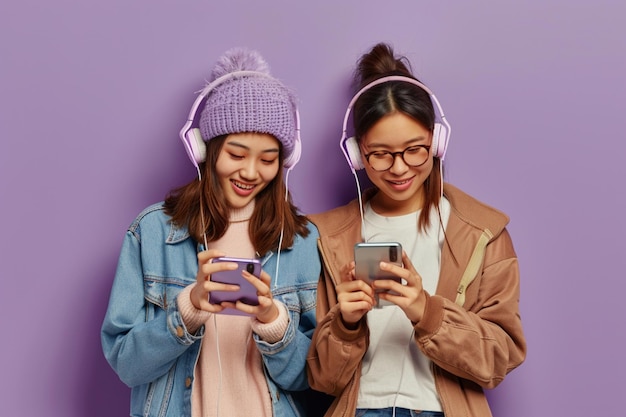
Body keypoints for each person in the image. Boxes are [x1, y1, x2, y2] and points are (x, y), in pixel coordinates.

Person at [102, 47, 329, 417]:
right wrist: (188, 309)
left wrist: (273, 322)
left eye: (268, 160)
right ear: (205, 150)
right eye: (236, 155)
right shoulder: (153, 233)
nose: (251, 172)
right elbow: (126, 364)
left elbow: (314, 377)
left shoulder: (300, 240)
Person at [306, 43, 527, 417]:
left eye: (415, 149)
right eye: (381, 153)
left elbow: (499, 358)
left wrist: (426, 310)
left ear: (436, 143)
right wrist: (345, 324)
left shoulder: (483, 233)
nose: (399, 168)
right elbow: (322, 380)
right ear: (358, 154)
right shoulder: (326, 237)